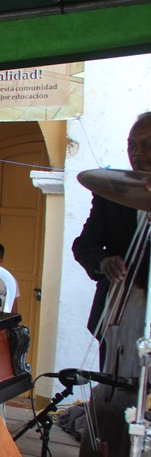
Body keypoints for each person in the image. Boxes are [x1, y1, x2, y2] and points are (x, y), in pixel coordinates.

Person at [72, 112, 151, 364]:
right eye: (132, 145)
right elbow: (84, 245)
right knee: (113, 389)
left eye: (148, 145)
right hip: (117, 318)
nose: (137, 153)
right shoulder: (111, 193)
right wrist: (103, 261)